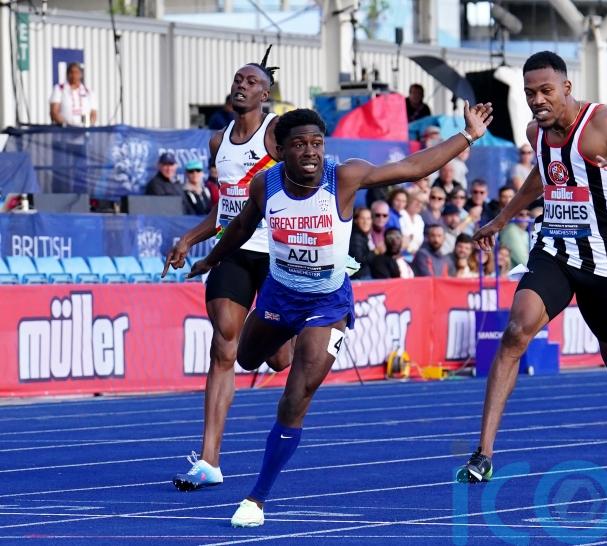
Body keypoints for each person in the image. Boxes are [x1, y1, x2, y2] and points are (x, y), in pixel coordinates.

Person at [187, 102, 493, 526]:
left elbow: (411, 167)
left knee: (295, 399)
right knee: (244, 358)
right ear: (280, 149)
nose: (311, 152)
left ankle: (256, 498)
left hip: (327, 305)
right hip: (278, 297)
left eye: (317, 143)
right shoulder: (265, 185)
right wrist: (210, 260)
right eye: (300, 145)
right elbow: (240, 228)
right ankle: (288, 344)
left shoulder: (343, 177)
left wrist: (468, 136)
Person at [457, 51, 607, 484]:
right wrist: (501, 220)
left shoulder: (606, 123)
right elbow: (542, 177)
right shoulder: (534, 132)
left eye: (545, 91)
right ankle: (482, 453)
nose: (537, 100)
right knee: (515, 332)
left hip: (603, 260)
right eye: (529, 93)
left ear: (566, 89)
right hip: (554, 249)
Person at [162, 48, 293, 491]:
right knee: (224, 345)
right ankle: (210, 461)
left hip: (276, 254)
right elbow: (223, 212)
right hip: (233, 250)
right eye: (238, 78)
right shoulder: (218, 142)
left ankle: (288, 330)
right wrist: (188, 240)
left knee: (277, 358)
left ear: (266, 93)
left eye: (251, 81)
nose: (241, 84)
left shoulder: (276, 133)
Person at [49, 62, 98, 127]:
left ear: (81, 74)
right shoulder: (59, 89)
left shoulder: (88, 92)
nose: (74, 75)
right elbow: (54, 112)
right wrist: (67, 126)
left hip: (84, 131)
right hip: (64, 131)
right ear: (67, 74)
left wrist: (88, 125)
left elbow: (93, 114)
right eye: (71, 72)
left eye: (76, 72)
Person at [348, 207, 374, 280]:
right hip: (359, 278)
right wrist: (376, 252)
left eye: (368, 218)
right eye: (362, 218)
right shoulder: (355, 237)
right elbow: (359, 260)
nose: (366, 222)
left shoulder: (364, 235)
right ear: (356, 220)